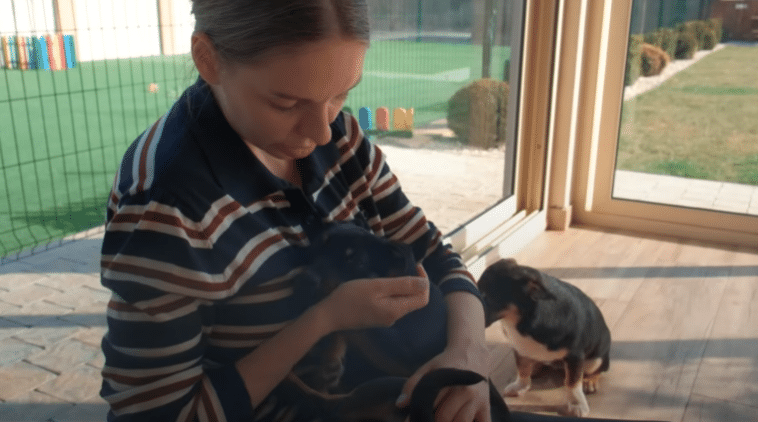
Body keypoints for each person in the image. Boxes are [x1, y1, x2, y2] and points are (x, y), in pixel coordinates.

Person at [99, 1, 490, 421]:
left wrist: (468, 357)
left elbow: (436, 254)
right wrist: (324, 319)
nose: (321, 132)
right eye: (286, 103)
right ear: (208, 59)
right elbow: (159, 415)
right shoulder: (166, 207)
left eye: (340, 94)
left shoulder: (341, 138)